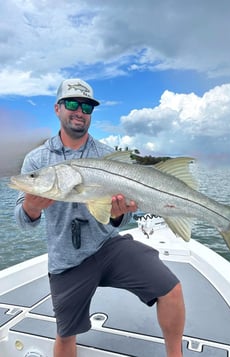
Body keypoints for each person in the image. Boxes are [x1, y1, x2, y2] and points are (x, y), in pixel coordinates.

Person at [14, 78, 185, 357]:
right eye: (72, 103)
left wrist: (118, 217)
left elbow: (125, 215)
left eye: (87, 106)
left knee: (172, 289)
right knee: (66, 334)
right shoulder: (37, 161)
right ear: (58, 108)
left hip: (108, 246)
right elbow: (22, 220)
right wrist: (32, 207)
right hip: (66, 258)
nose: (79, 111)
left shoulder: (107, 155)